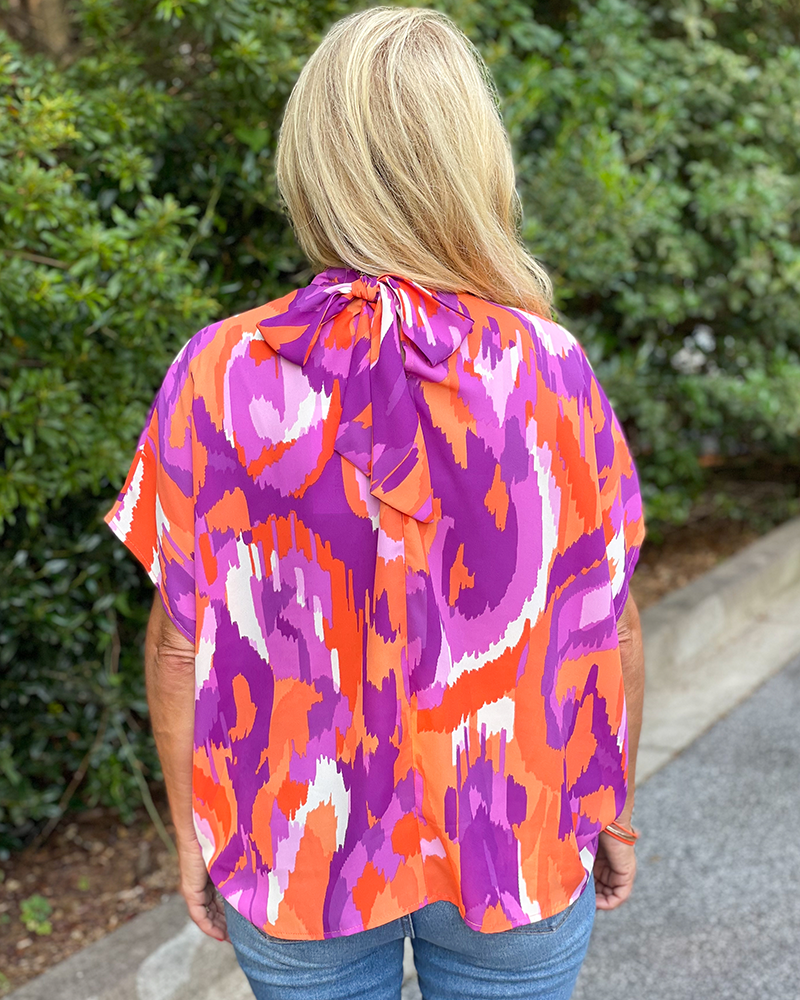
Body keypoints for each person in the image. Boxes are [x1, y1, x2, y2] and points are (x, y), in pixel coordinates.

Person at [106, 7, 645, 999]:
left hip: (293, 851)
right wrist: (608, 807)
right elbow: (606, 619)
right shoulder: (548, 368)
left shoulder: (219, 371)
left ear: (310, 164)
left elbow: (181, 642)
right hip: (514, 839)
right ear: (473, 162)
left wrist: (193, 833)